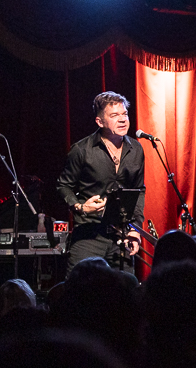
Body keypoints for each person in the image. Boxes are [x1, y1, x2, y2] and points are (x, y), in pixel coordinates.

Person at [56, 91, 144, 272]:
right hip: (89, 234)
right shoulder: (81, 150)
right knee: (80, 290)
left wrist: (135, 229)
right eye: (114, 115)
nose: (122, 120)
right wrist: (80, 207)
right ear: (100, 121)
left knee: (126, 292)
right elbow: (63, 186)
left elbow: (138, 190)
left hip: (121, 235)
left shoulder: (136, 148)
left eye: (124, 114)